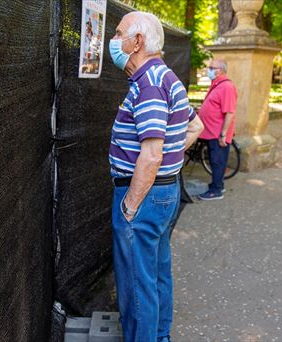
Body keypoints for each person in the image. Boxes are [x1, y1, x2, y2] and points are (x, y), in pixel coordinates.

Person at [108, 11, 203, 342]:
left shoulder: (148, 84)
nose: (113, 40)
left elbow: (151, 155)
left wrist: (130, 206)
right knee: (156, 275)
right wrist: (171, 159)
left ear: (137, 41)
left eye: (119, 33)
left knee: (137, 285)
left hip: (144, 197)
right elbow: (196, 125)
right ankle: (159, 337)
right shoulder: (166, 78)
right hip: (164, 192)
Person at [196, 59, 237, 200]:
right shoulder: (217, 84)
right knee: (215, 160)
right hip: (211, 132)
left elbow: (230, 112)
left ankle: (216, 190)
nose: (209, 70)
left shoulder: (226, 86)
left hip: (217, 133)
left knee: (217, 161)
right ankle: (218, 185)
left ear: (220, 70)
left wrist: (223, 134)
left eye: (211, 68)